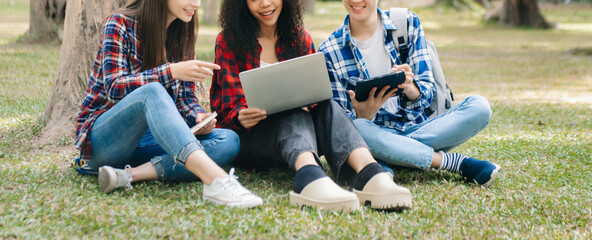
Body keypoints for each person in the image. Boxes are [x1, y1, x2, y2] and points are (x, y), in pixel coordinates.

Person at [210, 0, 412, 211]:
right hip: (253, 139)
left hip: (298, 139)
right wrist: (240, 115)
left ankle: (370, 173)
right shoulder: (228, 41)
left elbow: (316, 93)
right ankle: (308, 177)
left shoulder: (300, 38)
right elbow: (227, 107)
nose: (265, 4)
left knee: (328, 106)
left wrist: (311, 101)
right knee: (291, 111)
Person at [74, 0, 263, 208]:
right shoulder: (119, 24)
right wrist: (170, 71)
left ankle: (129, 175)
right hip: (104, 142)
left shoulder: (181, 32)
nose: (196, 4)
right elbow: (113, 88)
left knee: (228, 140)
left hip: (147, 143)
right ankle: (216, 180)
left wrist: (198, 117)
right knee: (152, 91)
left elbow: (184, 99)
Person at [318, 0, 501, 187]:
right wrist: (364, 116)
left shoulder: (407, 23)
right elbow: (340, 125)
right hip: (373, 133)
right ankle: (453, 163)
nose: (355, 0)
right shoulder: (329, 52)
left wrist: (411, 87)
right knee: (359, 128)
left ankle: (390, 158)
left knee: (479, 107)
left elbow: (428, 90)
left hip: (422, 128)